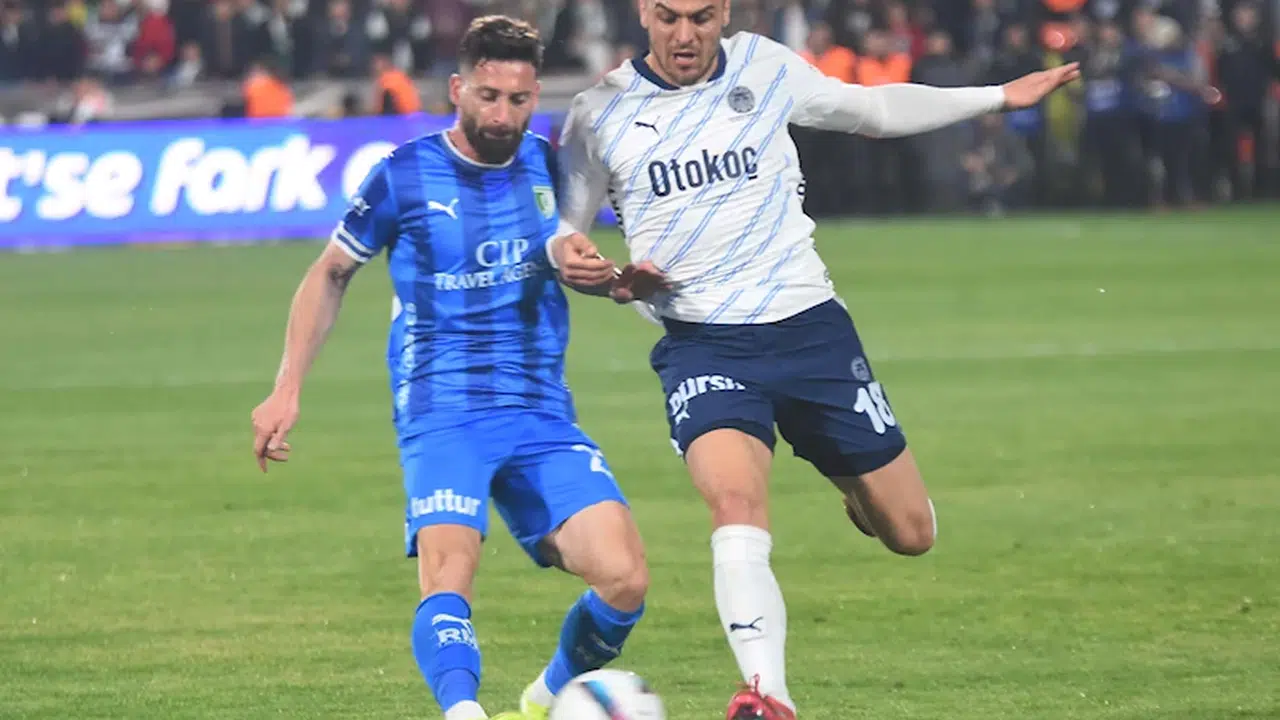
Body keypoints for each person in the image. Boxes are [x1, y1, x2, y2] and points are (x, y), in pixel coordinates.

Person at [549, 2, 1079, 718]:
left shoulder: (765, 66)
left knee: (911, 533)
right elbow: (565, 236)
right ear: (644, 11)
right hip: (704, 344)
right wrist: (600, 275)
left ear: (724, 11)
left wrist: (996, 97)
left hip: (811, 333)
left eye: (701, 17)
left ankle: (857, 493)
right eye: (668, 17)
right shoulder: (599, 111)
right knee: (735, 503)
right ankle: (767, 695)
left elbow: (873, 110)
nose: (684, 34)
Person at [250, 16, 648, 720]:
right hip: (442, 409)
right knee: (449, 574)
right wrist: (287, 388)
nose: (501, 115)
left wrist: (609, 280)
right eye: (488, 96)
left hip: (539, 410)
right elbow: (331, 272)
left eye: (517, 100)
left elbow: (571, 262)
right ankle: (463, 712)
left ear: (535, 97)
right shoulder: (404, 175)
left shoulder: (550, 166)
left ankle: (544, 699)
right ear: (459, 89)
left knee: (625, 579)